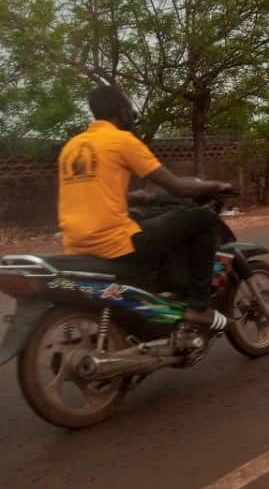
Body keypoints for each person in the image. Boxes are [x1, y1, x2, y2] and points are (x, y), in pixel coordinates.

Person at [57, 85, 232, 330]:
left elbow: (94, 190)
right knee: (202, 219)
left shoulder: (72, 147)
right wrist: (214, 185)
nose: (133, 118)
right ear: (124, 114)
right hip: (114, 242)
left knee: (152, 225)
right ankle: (199, 306)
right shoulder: (121, 141)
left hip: (75, 243)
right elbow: (179, 188)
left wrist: (136, 198)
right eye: (131, 113)